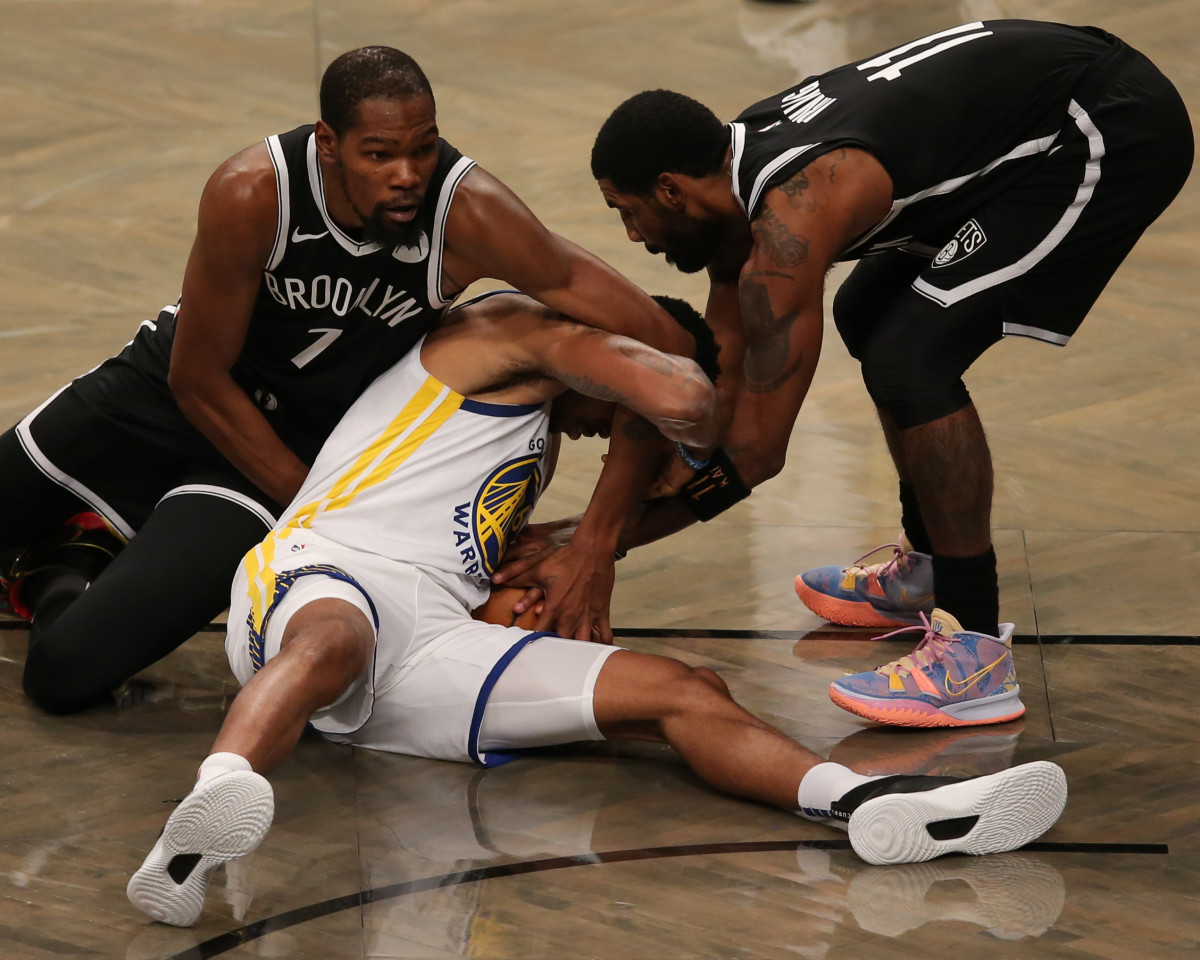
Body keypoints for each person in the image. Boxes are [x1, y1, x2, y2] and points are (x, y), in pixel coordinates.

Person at [125, 290, 1067, 928]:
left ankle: (869, 805)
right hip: (309, 580)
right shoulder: (492, 334)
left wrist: (523, 595)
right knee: (336, 634)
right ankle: (210, 811)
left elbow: (468, 568)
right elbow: (674, 398)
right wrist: (663, 453)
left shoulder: (530, 450)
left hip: (421, 651)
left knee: (683, 689)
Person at [0, 45, 688, 714]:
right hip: (167, 395)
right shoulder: (254, 192)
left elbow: (659, 342)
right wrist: (320, 513)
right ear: (329, 144)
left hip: (282, 446)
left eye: (424, 149)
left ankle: (64, 563)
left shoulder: (468, 213)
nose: (408, 174)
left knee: (63, 676)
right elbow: (198, 378)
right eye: (380, 154)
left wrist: (607, 527)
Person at [582, 19, 1192, 727]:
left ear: (669, 190)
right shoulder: (738, 179)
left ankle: (973, 656)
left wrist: (605, 543)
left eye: (627, 215)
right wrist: (669, 468)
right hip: (1036, 108)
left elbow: (757, 452)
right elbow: (723, 366)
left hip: (1103, 128)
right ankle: (929, 567)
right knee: (869, 309)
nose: (632, 237)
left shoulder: (793, 215)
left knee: (914, 358)